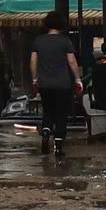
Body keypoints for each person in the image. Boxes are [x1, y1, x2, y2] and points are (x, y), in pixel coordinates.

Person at [29, 11, 81, 157]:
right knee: (60, 114)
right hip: (62, 84)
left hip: (44, 84)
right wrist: (77, 79)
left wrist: (34, 80)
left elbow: (33, 61)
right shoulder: (65, 41)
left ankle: (46, 132)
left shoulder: (38, 41)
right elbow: (71, 61)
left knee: (48, 111)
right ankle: (58, 146)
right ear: (61, 24)